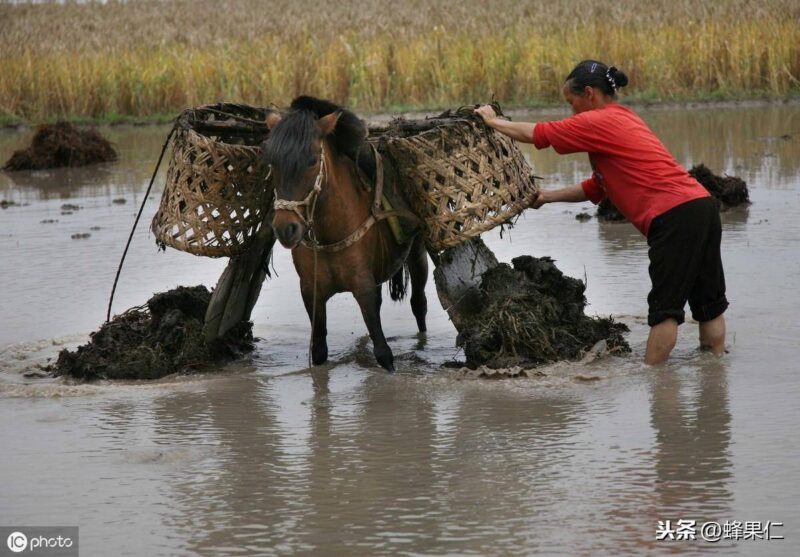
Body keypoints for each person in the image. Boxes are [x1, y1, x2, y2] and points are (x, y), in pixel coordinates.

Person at [474, 59, 728, 365]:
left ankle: (655, 385)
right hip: (701, 207)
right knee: (709, 305)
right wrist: (547, 197)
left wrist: (492, 122)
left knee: (665, 312)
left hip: (673, 216)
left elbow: (538, 134)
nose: (571, 111)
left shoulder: (599, 120)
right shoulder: (625, 119)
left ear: (590, 94)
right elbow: (598, 186)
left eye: (571, 102)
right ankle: (715, 375)